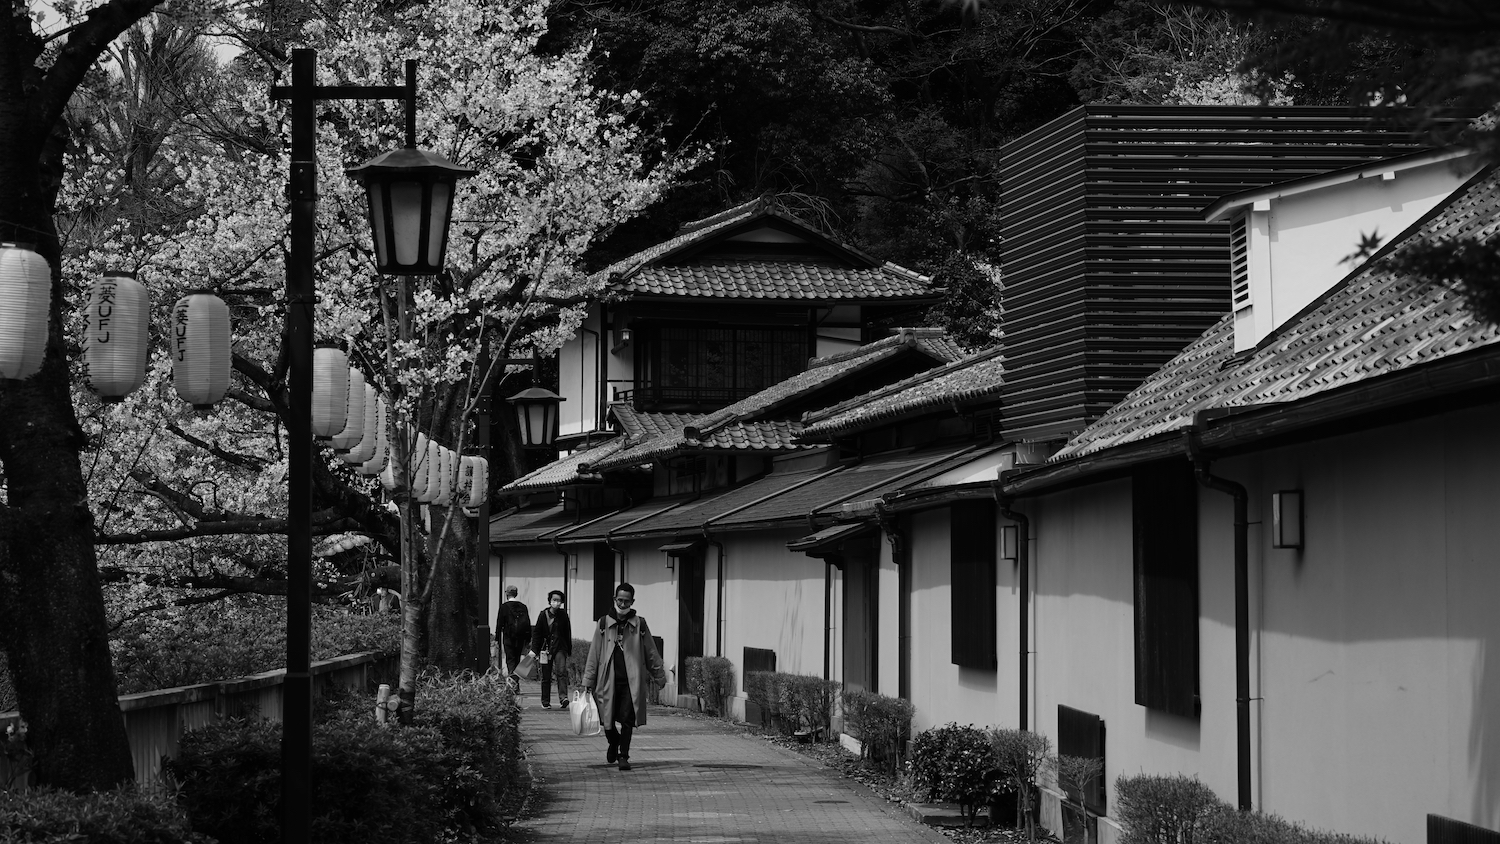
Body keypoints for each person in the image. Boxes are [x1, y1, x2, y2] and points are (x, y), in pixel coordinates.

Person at [583, 582, 666, 771]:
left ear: (632, 601)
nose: (622, 604)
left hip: (631, 681)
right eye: (619, 600)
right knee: (607, 720)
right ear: (614, 599)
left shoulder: (639, 624)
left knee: (627, 719)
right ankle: (614, 742)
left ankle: (623, 756)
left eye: (626, 600)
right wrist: (588, 680)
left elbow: (650, 652)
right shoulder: (603, 623)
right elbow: (594, 653)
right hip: (607, 680)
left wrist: (659, 676)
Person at [530, 590, 572, 710]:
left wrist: (568, 649)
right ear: (550, 601)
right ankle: (545, 701)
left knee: (561, 672)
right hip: (546, 649)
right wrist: (534, 649)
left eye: (559, 601)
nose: (556, 603)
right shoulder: (543, 615)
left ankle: (563, 698)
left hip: (560, 648)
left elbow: (567, 632)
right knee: (546, 675)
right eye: (554, 600)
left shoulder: (563, 616)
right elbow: (537, 633)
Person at [495, 585, 531, 688]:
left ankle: (513, 684)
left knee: (510, 660)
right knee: (517, 660)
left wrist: (497, 638)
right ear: (516, 593)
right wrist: (528, 639)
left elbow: (499, 624)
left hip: (508, 637)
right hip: (520, 638)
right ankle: (515, 682)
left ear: (507, 594)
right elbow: (527, 623)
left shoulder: (504, 607)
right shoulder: (523, 606)